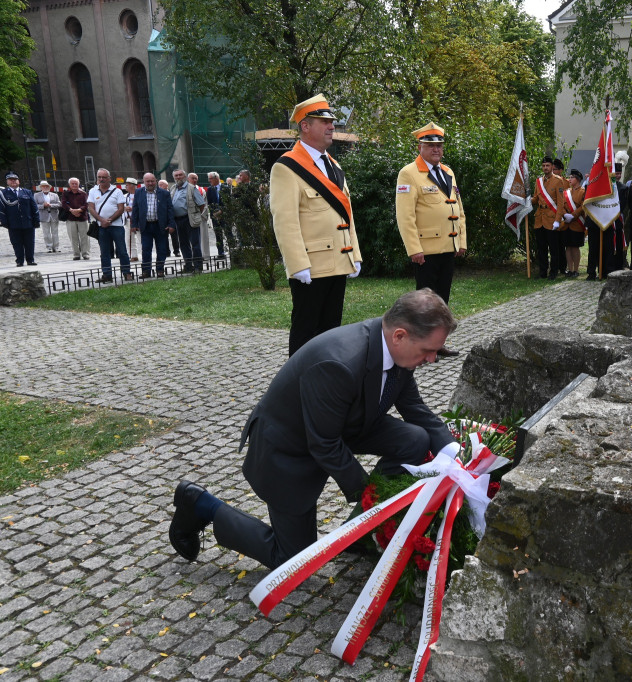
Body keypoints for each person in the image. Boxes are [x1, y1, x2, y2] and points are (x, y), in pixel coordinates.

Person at [168, 289, 461, 569]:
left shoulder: (397, 352)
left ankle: (357, 533)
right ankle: (200, 505)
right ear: (400, 335)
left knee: (415, 439)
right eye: (429, 350)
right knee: (292, 561)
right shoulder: (340, 363)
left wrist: (457, 456)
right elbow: (324, 443)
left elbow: (416, 410)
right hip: (289, 445)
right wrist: (371, 496)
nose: (433, 359)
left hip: (341, 424)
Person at [270, 93, 363, 356]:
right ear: (305, 126)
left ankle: (324, 380)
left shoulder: (333, 165)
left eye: (331, 121)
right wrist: (297, 264)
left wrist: (354, 253)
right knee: (305, 332)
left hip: (338, 260)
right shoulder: (286, 167)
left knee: (331, 331)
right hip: (311, 267)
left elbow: (346, 213)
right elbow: (285, 221)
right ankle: (297, 385)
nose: (331, 126)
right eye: (323, 121)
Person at [395, 122, 467, 358]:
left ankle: (437, 344)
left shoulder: (448, 172)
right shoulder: (409, 173)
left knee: (442, 300)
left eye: (439, 145)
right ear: (420, 146)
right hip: (425, 251)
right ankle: (419, 346)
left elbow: (459, 208)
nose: (436, 149)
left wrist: (461, 241)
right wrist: (414, 249)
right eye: (431, 145)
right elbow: (405, 216)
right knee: (424, 302)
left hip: (448, 247)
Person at [87, 168, 132, 282]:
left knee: (122, 251)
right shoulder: (93, 191)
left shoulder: (117, 191)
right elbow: (91, 208)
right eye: (99, 177)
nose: (101, 179)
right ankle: (107, 275)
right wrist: (101, 220)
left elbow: (121, 209)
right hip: (101, 227)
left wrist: (110, 220)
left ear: (109, 178)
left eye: (104, 177)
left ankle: (126, 273)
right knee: (104, 252)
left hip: (116, 226)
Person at [133, 173, 174, 278]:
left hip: (161, 225)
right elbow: (135, 209)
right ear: (144, 182)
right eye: (148, 181)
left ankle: (160, 270)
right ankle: (146, 271)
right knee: (146, 249)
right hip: (145, 226)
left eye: (152, 181)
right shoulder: (138, 192)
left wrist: (171, 224)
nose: (150, 183)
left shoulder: (164, 193)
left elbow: (170, 209)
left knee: (162, 249)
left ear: (156, 181)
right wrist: (134, 224)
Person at [530, 157, 564, 280]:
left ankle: (553, 272)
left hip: (551, 218)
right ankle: (542, 272)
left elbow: (561, 203)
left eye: (548, 165)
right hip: (540, 218)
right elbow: (535, 198)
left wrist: (557, 220)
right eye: (544, 165)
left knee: (554, 248)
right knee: (541, 248)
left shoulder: (558, 181)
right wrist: (528, 200)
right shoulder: (538, 181)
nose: (545, 168)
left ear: (551, 167)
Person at [171, 169, 207, 273]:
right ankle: (188, 265)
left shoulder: (191, 188)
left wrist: (195, 215)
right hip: (178, 220)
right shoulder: (173, 188)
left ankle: (198, 266)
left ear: (185, 177)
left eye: (180, 175)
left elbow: (201, 204)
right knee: (183, 244)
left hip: (189, 219)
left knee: (195, 244)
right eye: (176, 175)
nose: (178, 177)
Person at [1, 171, 40, 266]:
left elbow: (34, 207)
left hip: (28, 221)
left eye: (15, 179)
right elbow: (1, 209)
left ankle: (30, 260)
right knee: (16, 243)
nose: (13, 181)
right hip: (13, 223)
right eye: (11, 180)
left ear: (19, 181)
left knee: (29, 242)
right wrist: (4, 222)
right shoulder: (3, 193)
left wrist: (36, 220)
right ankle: (19, 261)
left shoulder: (27, 192)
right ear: (7, 182)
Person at [561, 169, 586, 277]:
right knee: (568, 247)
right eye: (569, 177)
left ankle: (576, 270)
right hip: (567, 224)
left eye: (572, 177)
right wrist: (564, 214)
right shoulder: (566, 192)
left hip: (577, 223)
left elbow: (583, 205)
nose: (569, 179)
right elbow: (560, 205)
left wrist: (574, 215)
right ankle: (570, 270)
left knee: (575, 247)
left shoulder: (583, 191)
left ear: (578, 179)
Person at [62, 177, 90, 260]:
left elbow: (87, 204)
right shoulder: (66, 193)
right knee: (73, 237)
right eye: (72, 183)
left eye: (76, 183)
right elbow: (63, 203)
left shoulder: (83, 194)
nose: (74, 185)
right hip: (70, 218)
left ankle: (85, 253)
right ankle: (76, 254)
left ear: (78, 184)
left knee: (84, 237)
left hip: (82, 218)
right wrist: (71, 210)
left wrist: (79, 210)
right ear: (69, 184)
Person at [34, 180, 61, 253]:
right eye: (43, 186)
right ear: (41, 187)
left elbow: (59, 204)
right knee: (46, 233)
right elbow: (34, 206)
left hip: (54, 215)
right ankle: (49, 247)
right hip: (44, 215)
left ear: (49, 187)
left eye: (47, 186)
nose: (45, 187)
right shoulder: (36, 195)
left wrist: (51, 205)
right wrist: (43, 206)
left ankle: (56, 247)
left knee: (55, 232)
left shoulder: (54, 195)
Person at [206, 171, 228, 259]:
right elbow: (210, 203)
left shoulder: (226, 188)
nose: (209, 180)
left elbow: (228, 202)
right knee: (218, 235)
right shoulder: (210, 189)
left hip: (225, 215)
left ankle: (233, 252)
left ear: (216, 178)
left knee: (228, 233)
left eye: (211, 178)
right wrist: (214, 214)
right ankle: (221, 253)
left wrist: (222, 211)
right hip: (215, 216)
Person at [122, 178, 140, 261]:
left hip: (138, 220)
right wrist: (124, 208)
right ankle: (134, 255)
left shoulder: (139, 195)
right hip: (128, 220)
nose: (126, 186)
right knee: (129, 238)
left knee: (141, 237)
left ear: (133, 186)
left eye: (127, 185)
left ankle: (145, 254)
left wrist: (133, 208)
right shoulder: (125, 196)